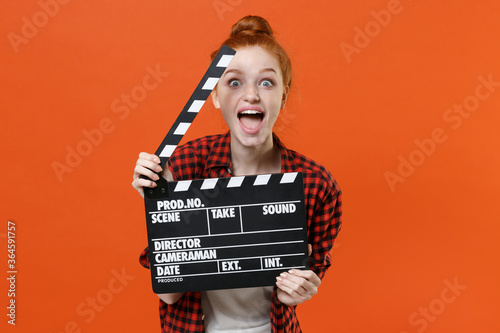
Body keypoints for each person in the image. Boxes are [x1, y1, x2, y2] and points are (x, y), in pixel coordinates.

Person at [132, 15, 342, 333]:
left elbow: (307, 278)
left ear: (283, 95)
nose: (252, 95)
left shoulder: (315, 185)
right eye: (234, 82)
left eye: (266, 82)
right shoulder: (184, 166)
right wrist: (163, 205)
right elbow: (169, 293)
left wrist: (296, 291)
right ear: (214, 96)